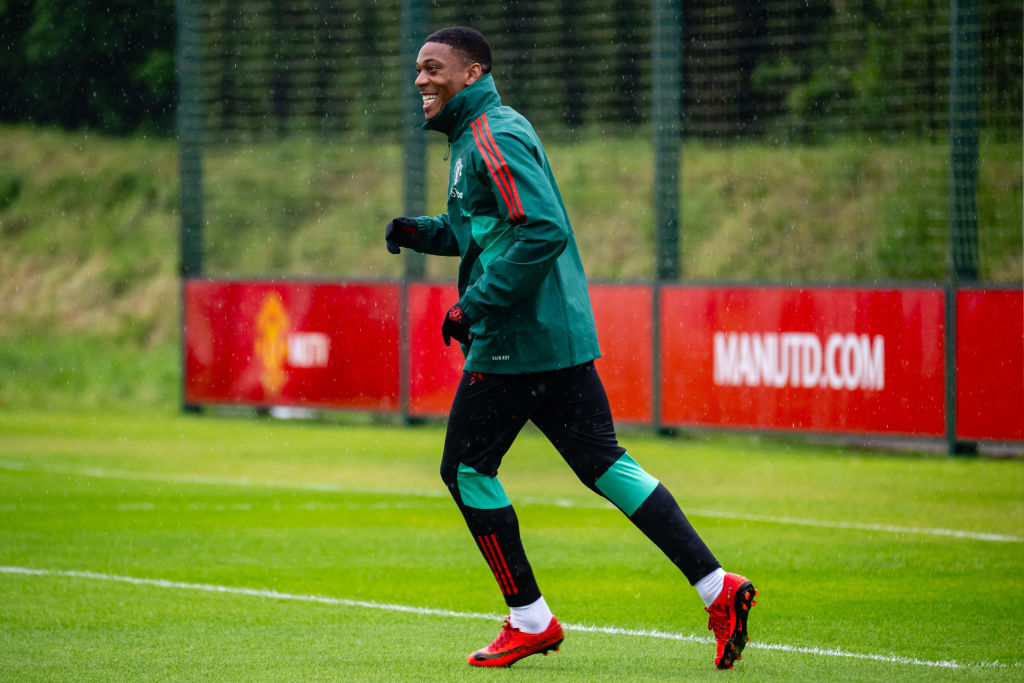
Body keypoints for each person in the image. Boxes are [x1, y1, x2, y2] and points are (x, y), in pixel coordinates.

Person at [384, 26, 756, 670]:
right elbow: (486, 227)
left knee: (467, 470)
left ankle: (530, 619)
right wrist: (420, 232)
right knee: (605, 465)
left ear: (470, 73)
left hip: (515, 341)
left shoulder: (490, 134)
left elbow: (542, 231)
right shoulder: (480, 136)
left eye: (432, 68)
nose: (419, 79)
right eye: (417, 69)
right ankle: (718, 587)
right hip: (554, 334)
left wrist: (477, 302)